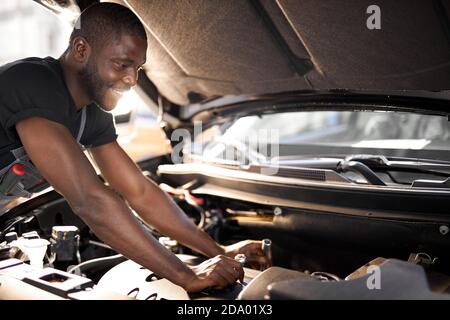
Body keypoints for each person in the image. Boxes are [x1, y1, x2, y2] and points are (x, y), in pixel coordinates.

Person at [0, 3, 268, 293]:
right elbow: (90, 199)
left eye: (137, 68)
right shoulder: (31, 82)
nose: (132, 80)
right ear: (81, 50)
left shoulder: (92, 115)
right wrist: (187, 275)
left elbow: (139, 190)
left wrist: (218, 251)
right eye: (122, 64)